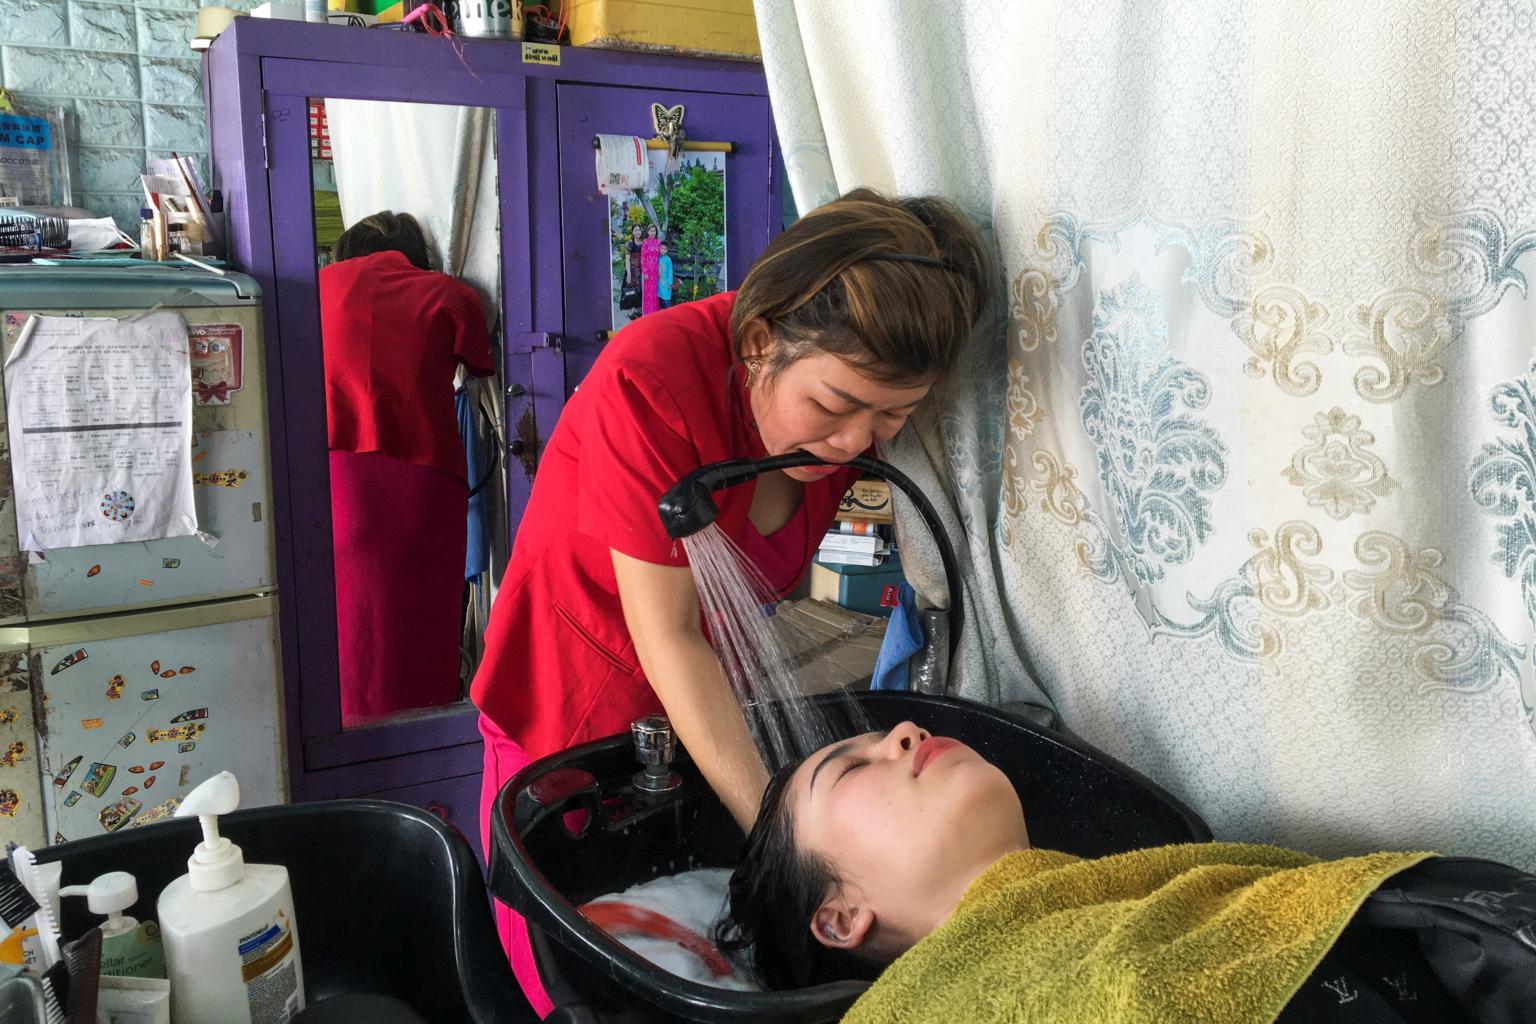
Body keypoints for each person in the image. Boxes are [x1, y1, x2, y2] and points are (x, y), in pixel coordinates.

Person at [470, 189, 991, 1013]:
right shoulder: (651, 381)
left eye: (893, 416)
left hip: (704, 712)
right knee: (574, 973)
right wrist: (783, 847)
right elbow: (673, 636)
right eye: (835, 406)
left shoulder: (836, 437)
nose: (858, 443)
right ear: (758, 343)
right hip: (569, 696)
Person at [717, 723, 1512, 1024]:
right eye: (848, 767)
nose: (902, 731)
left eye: (880, 734)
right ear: (839, 917)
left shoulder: (1168, 887)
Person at [319, 211, 494, 727]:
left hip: (334, 481)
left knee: (348, 629)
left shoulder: (313, 291)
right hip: (424, 485)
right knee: (422, 628)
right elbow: (482, 366)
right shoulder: (448, 294)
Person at [641, 223, 663, 316]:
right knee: (647, 292)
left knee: (654, 291)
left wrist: (661, 270)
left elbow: (661, 255)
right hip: (648, 271)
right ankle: (647, 313)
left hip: (656, 271)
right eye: (651, 231)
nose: (652, 232)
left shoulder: (658, 242)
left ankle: (654, 312)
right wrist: (644, 272)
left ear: (656, 232)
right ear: (648, 232)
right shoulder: (645, 242)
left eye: (654, 231)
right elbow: (642, 257)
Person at [657, 241, 675, 309]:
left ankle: (670, 314)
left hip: (666, 283)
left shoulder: (668, 259)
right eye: (661, 248)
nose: (663, 251)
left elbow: (670, 271)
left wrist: (670, 283)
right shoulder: (657, 258)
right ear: (659, 248)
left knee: (666, 300)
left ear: (667, 250)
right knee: (660, 299)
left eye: (665, 249)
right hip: (659, 283)